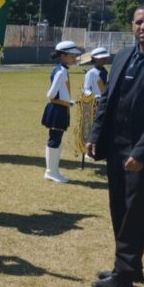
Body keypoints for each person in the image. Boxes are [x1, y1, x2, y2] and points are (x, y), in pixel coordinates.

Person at [86, 4, 144, 287]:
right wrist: (95, 134)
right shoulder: (124, 56)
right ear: (132, 25)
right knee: (118, 206)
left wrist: (141, 152)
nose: (143, 27)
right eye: (138, 22)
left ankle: (124, 273)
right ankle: (130, 265)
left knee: (136, 210)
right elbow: (107, 100)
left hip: (142, 151)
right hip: (115, 145)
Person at [42, 40, 82, 182]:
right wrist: (65, 102)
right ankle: (51, 172)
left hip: (60, 108)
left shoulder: (61, 69)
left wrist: (68, 102)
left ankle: (53, 171)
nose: (74, 58)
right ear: (63, 56)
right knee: (55, 140)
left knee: (56, 140)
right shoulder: (60, 71)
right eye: (72, 56)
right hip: (57, 109)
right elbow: (51, 94)